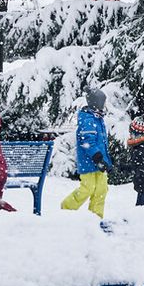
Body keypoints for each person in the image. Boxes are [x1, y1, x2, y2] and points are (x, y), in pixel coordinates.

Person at [59, 88, 114, 218]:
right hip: (89, 162)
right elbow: (87, 142)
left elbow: (102, 144)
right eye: (103, 102)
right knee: (88, 188)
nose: (104, 105)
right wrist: (97, 158)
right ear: (97, 103)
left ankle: (96, 216)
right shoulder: (88, 119)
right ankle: (67, 208)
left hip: (99, 162)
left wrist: (106, 160)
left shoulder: (98, 119)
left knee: (101, 190)